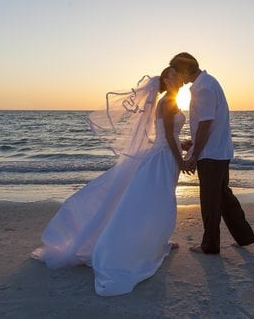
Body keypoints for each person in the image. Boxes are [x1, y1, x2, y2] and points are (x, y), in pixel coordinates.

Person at [32, 67, 189, 296]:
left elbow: (167, 135)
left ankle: (158, 241)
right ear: (166, 79)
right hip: (164, 158)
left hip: (166, 155)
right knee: (159, 201)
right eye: (173, 73)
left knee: (159, 201)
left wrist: (181, 143)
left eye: (178, 73)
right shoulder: (166, 103)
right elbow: (166, 135)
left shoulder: (171, 100)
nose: (178, 76)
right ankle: (137, 246)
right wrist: (181, 160)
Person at [169, 52, 254, 254]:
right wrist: (193, 143)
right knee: (223, 196)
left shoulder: (204, 88)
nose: (177, 78)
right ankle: (244, 237)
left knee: (210, 201)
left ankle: (210, 245)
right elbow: (206, 123)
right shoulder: (206, 83)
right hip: (218, 150)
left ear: (184, 70)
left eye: (177, 72)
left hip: (211, 154)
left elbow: (206, 124)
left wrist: (194, 155)